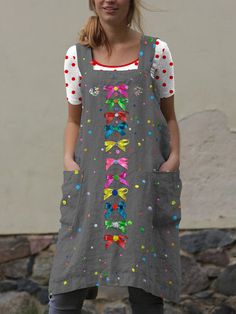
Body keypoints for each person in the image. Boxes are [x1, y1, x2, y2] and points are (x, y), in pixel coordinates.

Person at [48, 0, 183, 313]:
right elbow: (74, 119)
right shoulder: (76, 56)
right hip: (90, 181)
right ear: (93, 2)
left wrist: (174, 157)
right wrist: (69, 161)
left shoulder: (157, 52)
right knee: (69, 277)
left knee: (146, 282)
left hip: (143, 180)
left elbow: (169, 115)